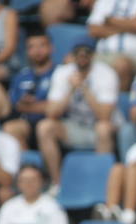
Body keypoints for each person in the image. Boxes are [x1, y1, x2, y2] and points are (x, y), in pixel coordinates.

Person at [38, 42, 120, 189]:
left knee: (103, 128)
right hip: (75, 126)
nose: (82, 57)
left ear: (93, 55)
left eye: (86, 53)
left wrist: (84, 88)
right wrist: (70, 89)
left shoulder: (106, 73)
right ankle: (57, 184)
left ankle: (102, 187)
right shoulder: (63, 73)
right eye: (78, 54)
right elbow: (51, 113)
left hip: (100, 128)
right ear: (72, 56)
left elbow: (104, 116)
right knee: (45, 127)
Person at [85, 0, 136, 91]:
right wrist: (130, 23)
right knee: (73, 60)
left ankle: (117, 103)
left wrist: (109, 20)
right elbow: (94, 30)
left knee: (122, 65)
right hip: (103, 54)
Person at [3, 29, 55, 149]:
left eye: (42, 45)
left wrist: (30, 107)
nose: (37, 51)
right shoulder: (21, 76)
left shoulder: (60, 73)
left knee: (46, 127)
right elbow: (17, 105)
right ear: (27, 51)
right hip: (27, 123)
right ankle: (26, 164)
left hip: (53, 123)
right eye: (32, 47)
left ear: (51, 48)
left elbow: (57, 107)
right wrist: (26, 104)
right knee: (10, 128)